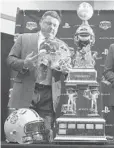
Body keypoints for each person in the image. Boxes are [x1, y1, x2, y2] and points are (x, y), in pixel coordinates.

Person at [7, 11, 70, 142]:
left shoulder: (63, 47)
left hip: (49, 94)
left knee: (45, 134)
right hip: (26, 90)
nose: (52, 27)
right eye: (48, 23)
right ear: (41, 22)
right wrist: (25, 63)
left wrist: (66, 71)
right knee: (22, 132)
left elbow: (68, 72)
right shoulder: (24, 38)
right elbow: (10, 60)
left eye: (55, 25)